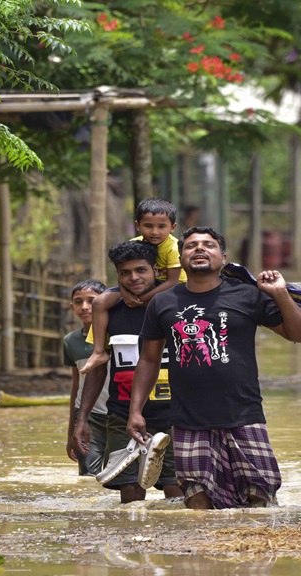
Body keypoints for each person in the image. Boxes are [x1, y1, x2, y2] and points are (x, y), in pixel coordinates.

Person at [126, 227, 301, 509]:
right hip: (188, 419)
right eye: (191, 246)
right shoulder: (163, 302)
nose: (199, 249)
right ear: (181, 258)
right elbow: (149, 359)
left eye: (208, 245)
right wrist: (135, 411)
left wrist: (280, 294)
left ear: (222, 257)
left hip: (243, 413)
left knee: (260, 495)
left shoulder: (247, 295)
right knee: (197, 499)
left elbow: (300, 334)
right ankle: (202, 553)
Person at [74, 241, 184, 504]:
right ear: (117, 275)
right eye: (125, 273)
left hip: (175, 415)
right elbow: (99, 367)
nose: (134, 278)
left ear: (155, 270)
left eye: (141, 270)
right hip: (122, 414)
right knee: (130, 494)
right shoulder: (109, 312)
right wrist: (83, 419)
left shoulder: (176, 306)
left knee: (177, 492)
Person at [80, 198, 188, 374]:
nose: (154, 232)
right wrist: (124, 293)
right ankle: (99, 351)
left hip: (172, 288)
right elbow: (123, 272)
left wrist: (141, 298)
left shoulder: (173, 248)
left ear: (173, 227)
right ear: (138, 225)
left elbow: (172, 281)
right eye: (148, 226)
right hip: (139, 288)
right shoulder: (135, 243)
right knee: (100, 302)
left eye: (161, 227)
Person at [63, 279, 108, 475]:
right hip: (87, 416)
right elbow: (76, 387)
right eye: (78, 301)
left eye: (91, 301)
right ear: (72, 306)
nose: (85, 307)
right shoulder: (70, 341)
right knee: (89, 475)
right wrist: (70, 433)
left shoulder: (118, 334)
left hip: (119, 414)